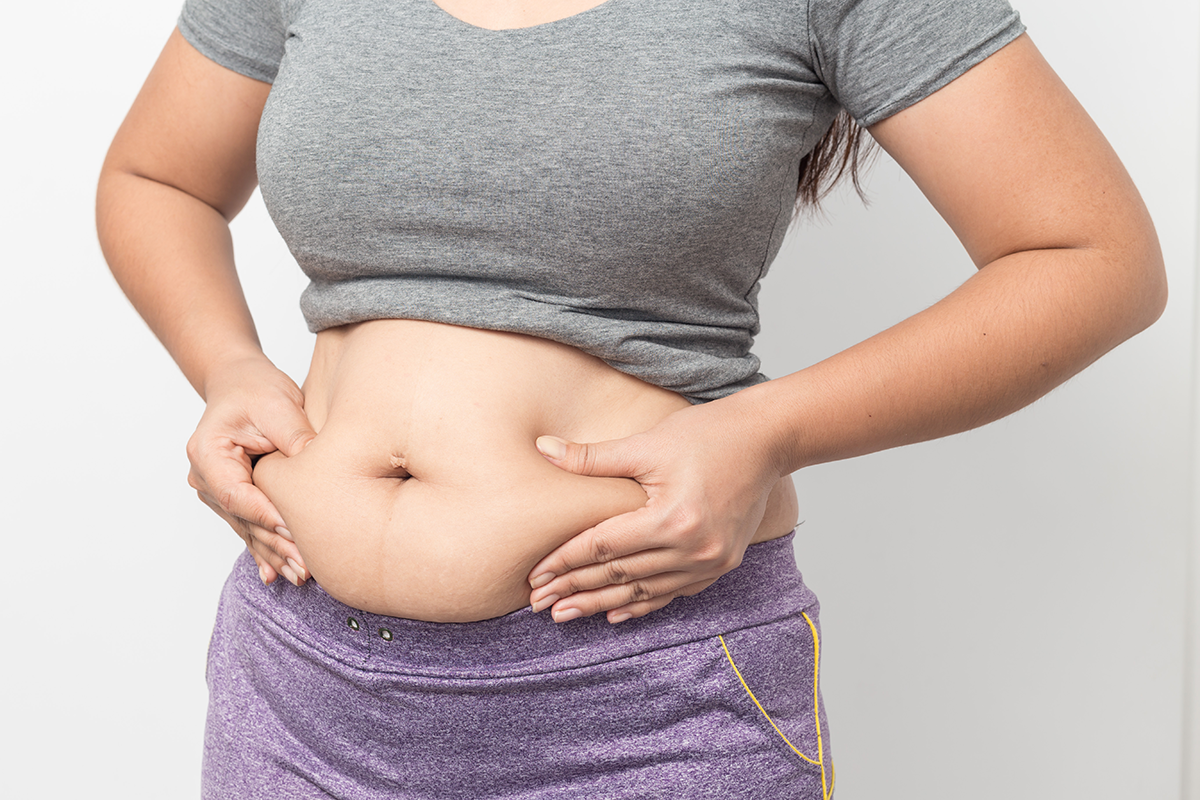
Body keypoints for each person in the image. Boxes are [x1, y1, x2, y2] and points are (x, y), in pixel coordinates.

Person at [95, 0, 1166, 796]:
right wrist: (228, 365)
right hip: (298, 679)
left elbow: (1092, 256)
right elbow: (158, 177)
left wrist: (765, 429)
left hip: (639, 694)